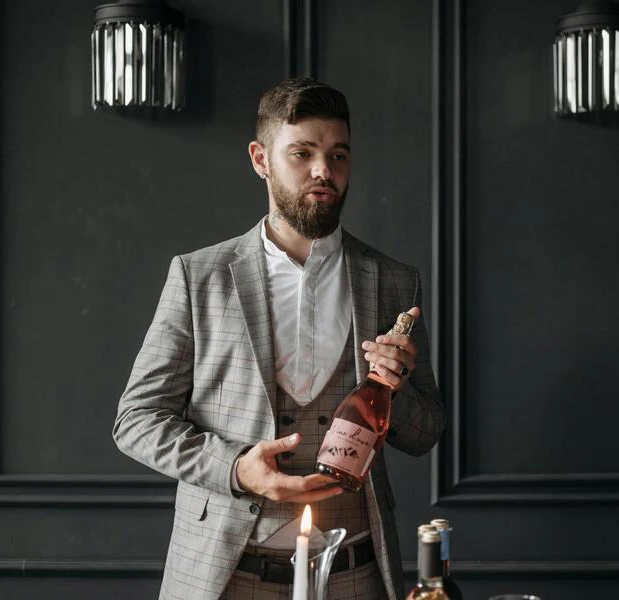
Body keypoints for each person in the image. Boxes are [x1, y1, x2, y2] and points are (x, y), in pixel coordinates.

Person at [113, 76, 445, 600]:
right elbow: (135, 420)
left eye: (339, 155)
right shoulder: (199, 276)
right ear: (260, 158)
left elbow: (425, 434)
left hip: (354, 576)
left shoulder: (394, 282)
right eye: (302, 153)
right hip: (226, 576)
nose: (324, 171)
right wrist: (238, 470)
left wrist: (395, 392)